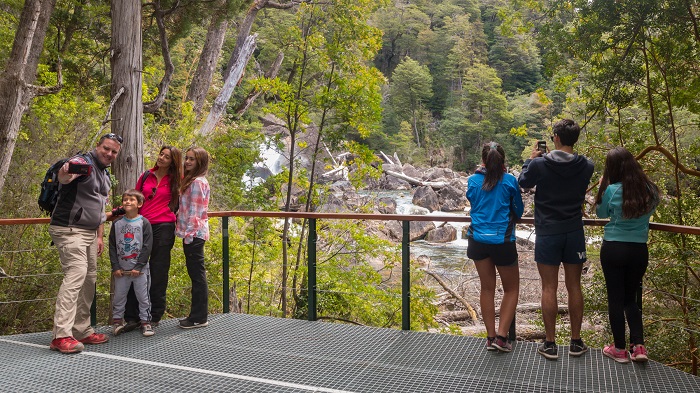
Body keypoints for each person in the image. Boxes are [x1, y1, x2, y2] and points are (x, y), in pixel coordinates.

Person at [518, 119, 594, 360]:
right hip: (573, 231)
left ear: (557, 138)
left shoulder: (540, 164)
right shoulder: (587, 166)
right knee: (574, 286)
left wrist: (531, 160)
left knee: (548, 287)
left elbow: (523, 182)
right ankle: (576, 342)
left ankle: (550, 344)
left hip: (548, 231)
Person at [48, 133, 122, 354]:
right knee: (76, 274)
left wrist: (99, 236)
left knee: (89, 280)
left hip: (90, 233)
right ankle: (61, 335)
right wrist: (67, 169)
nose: (109, 154)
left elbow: (99, 210)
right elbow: (65, 175)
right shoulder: (84, 163)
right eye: (106, 148)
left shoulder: (105, 174)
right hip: (69, 230)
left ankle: (81, 329)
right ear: (97, 146)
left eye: (114, 152)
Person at [595, 147, 659, 364]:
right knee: (630, 298)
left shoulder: (612, 190)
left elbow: (601, 213)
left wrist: (604, 186)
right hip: (639, 249)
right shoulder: (650, 189)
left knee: (615, 298)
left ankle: (620, 349)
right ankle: (638, 346)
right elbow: (652, 209)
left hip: (613, 247)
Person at [466, 142, 524, 353]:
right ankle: (502, 338)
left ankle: (490, 338)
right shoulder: (509, 181)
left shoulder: (472, 181)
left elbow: (473, 202)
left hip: (478, 240)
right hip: (502, 241)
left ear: (483, 160)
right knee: (511, 289)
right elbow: (519, 210)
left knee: (487, 288)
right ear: (502, 161)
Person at [122, 146, 182, 332]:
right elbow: (135, 198)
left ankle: (154, 315)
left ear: (173, 161)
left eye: (166, 157)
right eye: (161, 154)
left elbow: (182, 203)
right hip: (141, 225)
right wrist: (119, 212)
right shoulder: (146, 175)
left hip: (164, 227)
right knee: (134, 268)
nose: (161, 158)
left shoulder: (176, 180)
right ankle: (131, 317)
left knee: (158, 271)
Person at [109, 189, 154, 337]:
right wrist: (115, 266)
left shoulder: (144, 223)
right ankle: (117, 322)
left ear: (139, 204)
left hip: (139, 270)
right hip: (121, 270)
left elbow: (147, 246)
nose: (127, 202)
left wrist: (139, 266)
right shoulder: (117, 224)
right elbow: (113, 246)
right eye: (125, 199)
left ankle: (146, 322)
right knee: (119, 296)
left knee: (143, 296)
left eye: (132, 199)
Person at [176, 147, 211, 329]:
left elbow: (195, 213)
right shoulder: (193, 180)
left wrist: (188, 236)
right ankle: (198, 315)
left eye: (192, 160)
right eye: (187, 159)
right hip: (193, 234)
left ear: (200, 163)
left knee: (197, 276)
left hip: (194, 235)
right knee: (196, 275)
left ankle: (198, 317)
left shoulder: (197, 182)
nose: (188, 162)